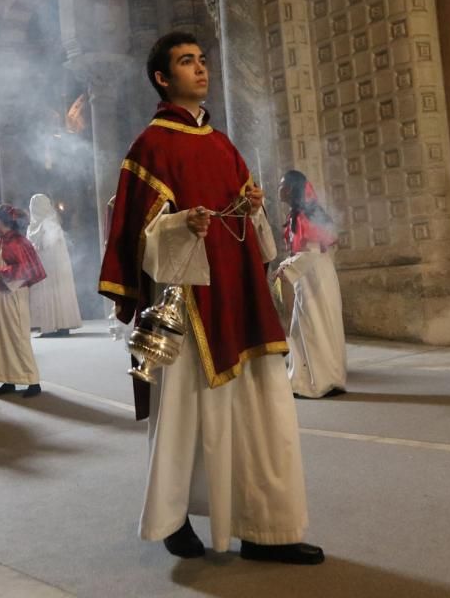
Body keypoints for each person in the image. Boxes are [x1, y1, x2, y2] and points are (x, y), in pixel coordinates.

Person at [99, 31, 323, 565]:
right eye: (186, 62)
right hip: (189, 303)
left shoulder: (222, 143)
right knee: (183, 415)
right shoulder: (150, 146)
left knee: (262, 411)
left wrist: (250, 205)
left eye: (202, 60)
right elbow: (136, 236)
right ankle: (174, 519)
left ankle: (269, 530)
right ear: (162, 77)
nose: (200, 69)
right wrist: (181, 224)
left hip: (241, 296)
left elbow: (253, 226)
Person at [275, 170, 347, 399]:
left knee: (315, 329)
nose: (280, 189)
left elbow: (312, 251)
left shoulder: (303, 216)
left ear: (292, 189)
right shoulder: (305, 213)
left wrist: (286, 267)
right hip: (316, 275)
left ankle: (321, 382)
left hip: (313, 278)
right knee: (308, 329)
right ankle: (310, 380)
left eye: (283, 185)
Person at [0, 204, 46, 398]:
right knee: (0, 338)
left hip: (12, 298)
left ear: (0, 222)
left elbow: (27, 270)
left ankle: (32, 381)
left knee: (17, 337)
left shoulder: (18, 243)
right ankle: (7, 379)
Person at [27, 193, 82, 338]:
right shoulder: (37, 225)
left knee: (55, 292)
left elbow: (46, 246)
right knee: (51, 293)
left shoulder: (49, 224)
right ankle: (52, 325)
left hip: (52, 267)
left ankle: (58, 326)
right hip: (45, 267)